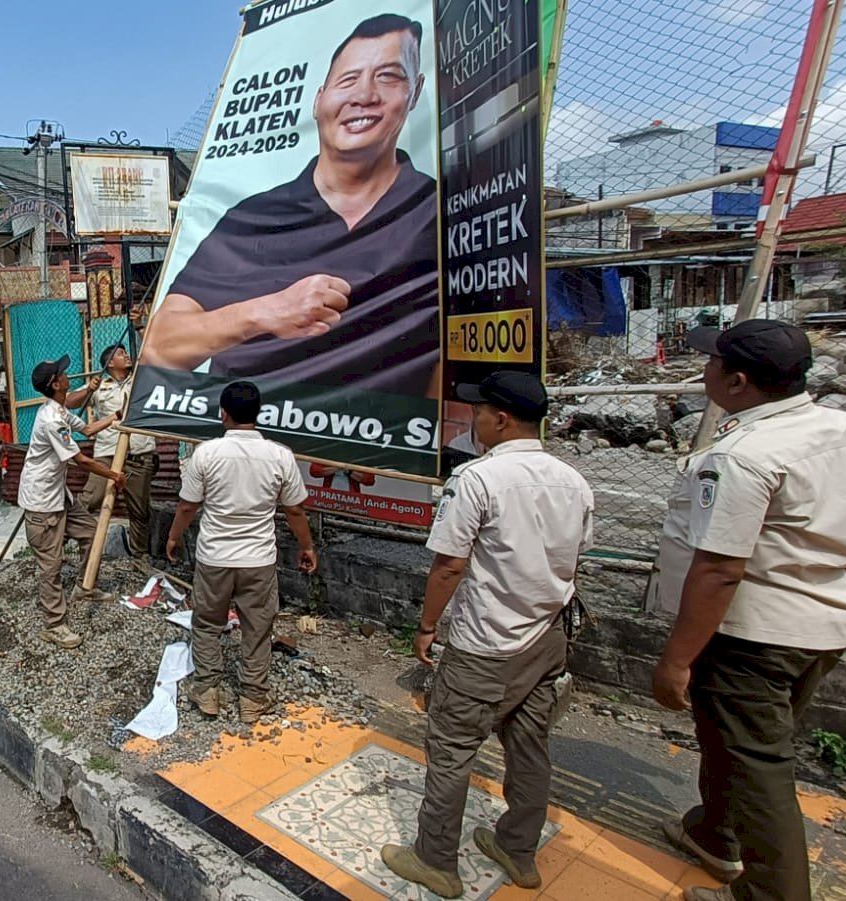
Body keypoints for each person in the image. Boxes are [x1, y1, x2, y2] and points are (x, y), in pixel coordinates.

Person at [652, 321, 846, 901]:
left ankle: (772, 893)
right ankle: (713, 833)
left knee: (759, 770)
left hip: (752, 635)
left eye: (712, 365)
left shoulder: (743, 456)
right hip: (822, 621)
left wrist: (677, 659)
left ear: (739, 381)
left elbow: (720, 568)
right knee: (733, 744)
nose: (704, 373)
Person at [139, 13, 437, 399]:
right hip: (257, 441)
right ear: (319, 101)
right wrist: (265, 312)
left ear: (414, 92)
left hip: (386, 449)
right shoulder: (254, 219)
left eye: (389, 77)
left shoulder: (437, 212)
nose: (364, 95)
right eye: (348, 79)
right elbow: (160, 348)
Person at [381, 371, 594, 899]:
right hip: (546, 638)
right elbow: (575, 560)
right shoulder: (574, 482)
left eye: (478, 412)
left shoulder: (477, 479)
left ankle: (436, 861)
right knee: (529, 745)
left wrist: (428, 625)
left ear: (500, 419)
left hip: (487, 642)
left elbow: (450, 565)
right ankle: (518, 852)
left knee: (452, 748)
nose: (472, 420)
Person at [166, 381, 318, 724]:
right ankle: (252, 698)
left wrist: (173, 537)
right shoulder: (280, 455)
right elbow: (295, 510)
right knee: (258, 627)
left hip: (214, 557)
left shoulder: (206, 453)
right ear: (258, 413)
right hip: (259, 561)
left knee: (206, 623)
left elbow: (188, 505)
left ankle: (207, 692)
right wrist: (307, 546)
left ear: (224, 414)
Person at [18, 354, 127, 650]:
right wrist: (114, 475)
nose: (69, 375)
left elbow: (88, 430)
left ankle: (83, 587)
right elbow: (80, 460)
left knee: (92, 534)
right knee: (50, 566)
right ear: (55, 384)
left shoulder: (60, 410)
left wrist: (114, 418)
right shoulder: (52, 419)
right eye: (63, 374)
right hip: (42, 502)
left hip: (59, 495)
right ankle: (54, 625)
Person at [74, 344, 158, 557]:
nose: (127, 356)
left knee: (140, 510)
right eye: (121, 354)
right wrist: (88, 390)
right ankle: (75, 545)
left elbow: (153, 358)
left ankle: (139, 556)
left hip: (139, 454)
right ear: (110, 363)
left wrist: (139, 326)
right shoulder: (99, 384)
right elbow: (67, 402)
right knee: (89, 500)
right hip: (107, 454)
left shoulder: (141, 380)